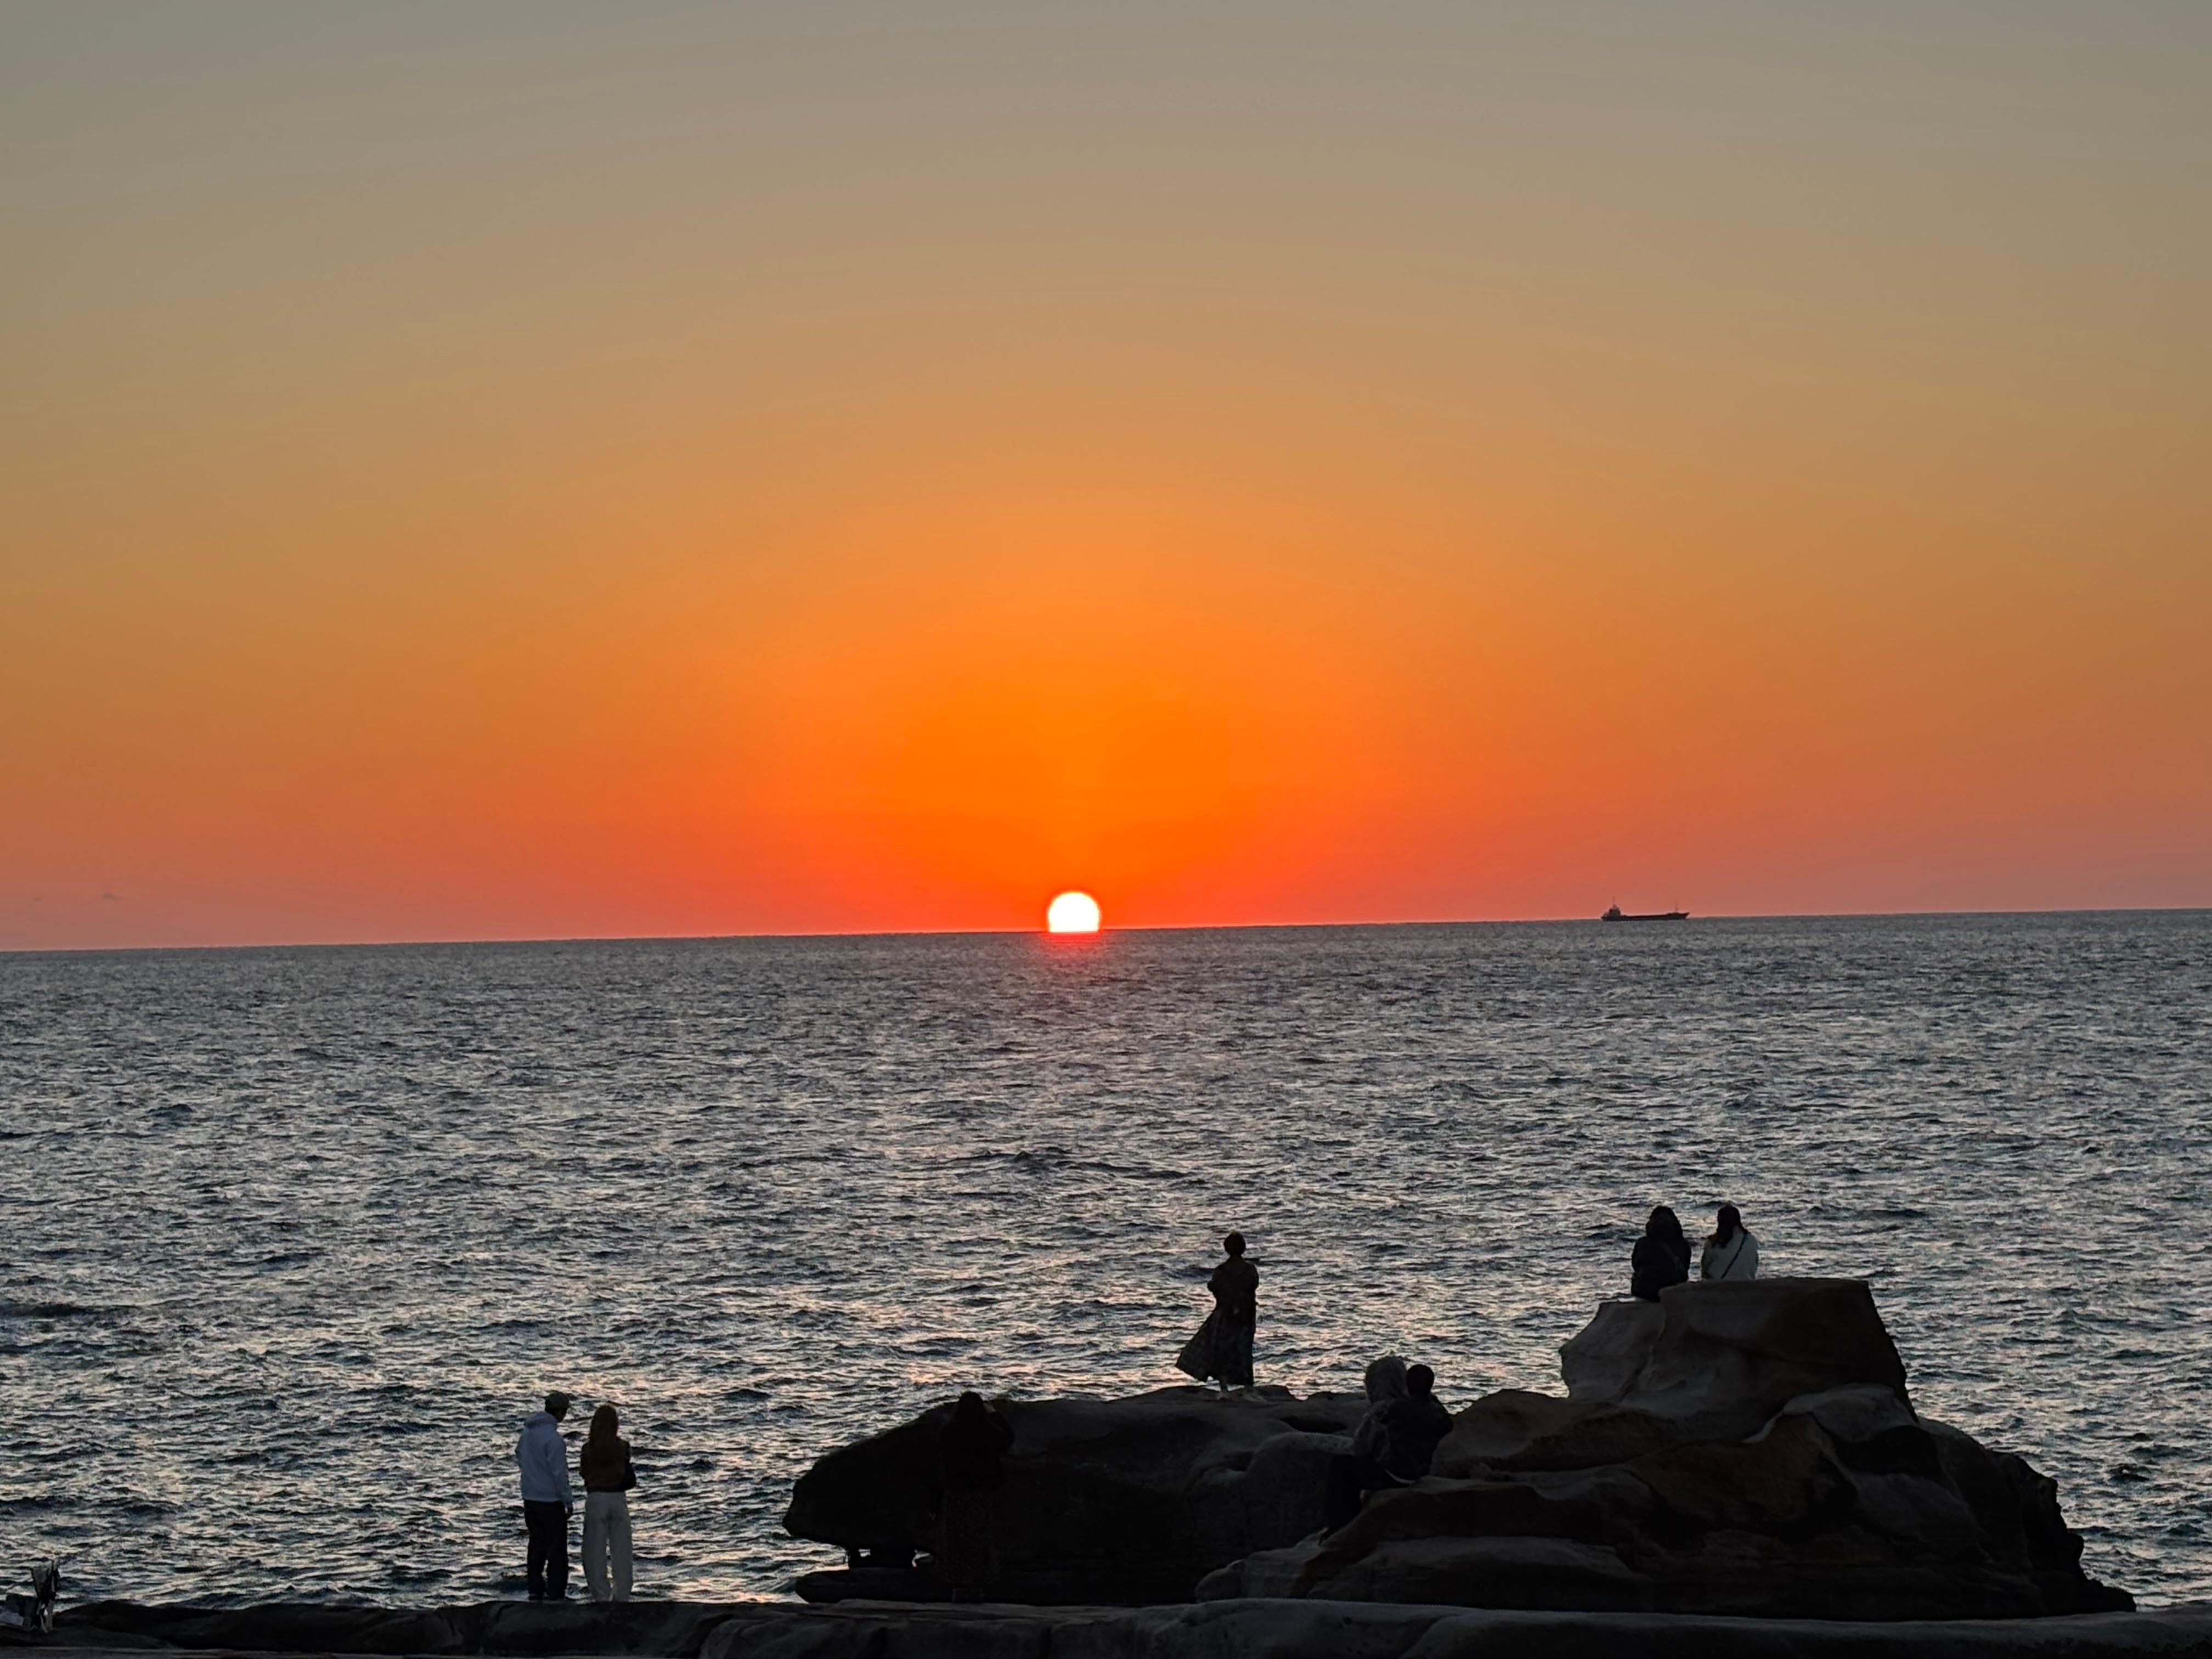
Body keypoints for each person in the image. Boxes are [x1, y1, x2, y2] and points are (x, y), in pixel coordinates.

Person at [938, 1391, 1014, 1602]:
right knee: (979, 1537)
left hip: (956, 1493)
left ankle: (957, 1585)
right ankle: (979, 1584)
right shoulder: (987, 1432)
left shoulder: (949, 1431)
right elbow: (1008, 1438)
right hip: (981, 1492)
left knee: (956, 1538)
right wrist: (995, 1414)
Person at [1175, 1232, 1259, 1391]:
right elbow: (1252, 1287)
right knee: (1244, 1350)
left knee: (1221, 1350)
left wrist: (1213, 1287)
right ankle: (1248, 1386)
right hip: (1246, 1316)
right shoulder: (1250, 1269)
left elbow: (1218, 1291)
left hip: (1224, 1315)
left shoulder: (1221, 1270)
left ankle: (1224, 1387)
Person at [516, 1391, 574, 1601]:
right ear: (560, 1412)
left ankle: (535, 1589)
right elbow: (560, 1474)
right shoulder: (554, 1439)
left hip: (530, 1497)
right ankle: (556, 1593)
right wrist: (568, 1500)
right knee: (557, 1549)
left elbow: (519, 1456)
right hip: (551, 1500)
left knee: (536, 1545)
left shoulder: (527, 1434)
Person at [578, 1403, 637, 1602]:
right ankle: (622, 1595)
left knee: (594, 1551)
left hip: (596, 1499)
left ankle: (601, 1596)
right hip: (618, 1498)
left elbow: (584, 1474)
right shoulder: (623, 1447)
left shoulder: (588, 1449)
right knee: (622, 1550)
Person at [1630, 1206, 1690, 1301]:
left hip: (1645, 1291)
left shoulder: (1643, 1243)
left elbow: (1635, 1265)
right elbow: (1685, 1268)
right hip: (1673, 1290)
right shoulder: (1683, 1244)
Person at [1700, 1204, 1760, 1280]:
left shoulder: (1713, 1244)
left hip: (1718, 1289)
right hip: (1746, 1287)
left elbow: (1705, 1271)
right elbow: (1754, 1265)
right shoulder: (1751, 1241)